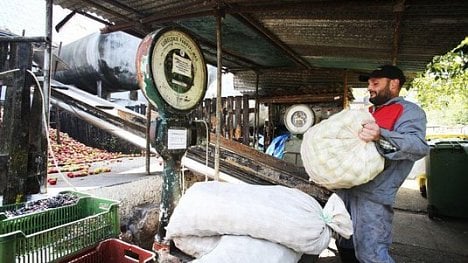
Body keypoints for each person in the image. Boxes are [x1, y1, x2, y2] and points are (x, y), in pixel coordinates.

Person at [336, 65, 430, 263]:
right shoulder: (369, 111)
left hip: (374, 195)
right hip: (349, 188)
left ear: (394, 84)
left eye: (375, 83)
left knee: (371, 254)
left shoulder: (409, 111)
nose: (370, 87)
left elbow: (418, 146)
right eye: (369, 83)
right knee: (345, 241)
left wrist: (381, 135)